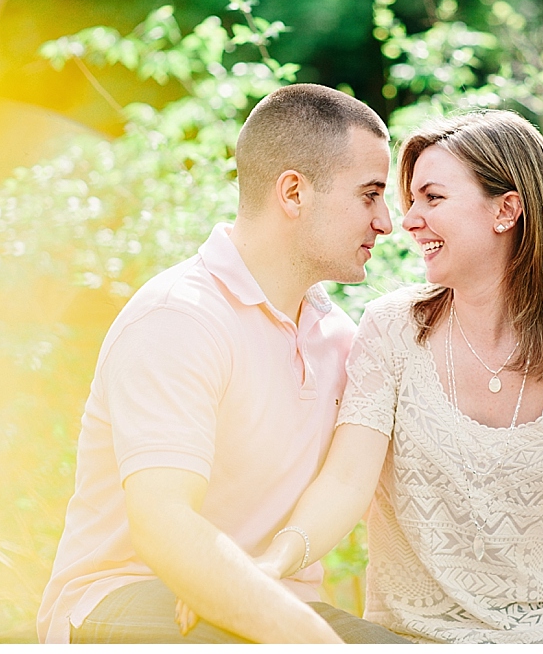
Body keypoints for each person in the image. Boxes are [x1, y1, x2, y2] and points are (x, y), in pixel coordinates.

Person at [177, 109, 543, 643]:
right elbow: (346, 481)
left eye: (434, 198)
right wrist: (268, 567)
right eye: (411, 200)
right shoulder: (392, 330)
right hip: (414, 637)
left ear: (507, 209)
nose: (407, 220)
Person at [36, 83, 410, 643]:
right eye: (369, 194)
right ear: (292, 192)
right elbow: (163, 527)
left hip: (277, 601)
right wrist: (313, 642)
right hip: (127, 597)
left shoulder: (340, 338)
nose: (386, 221)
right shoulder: (179, 319)